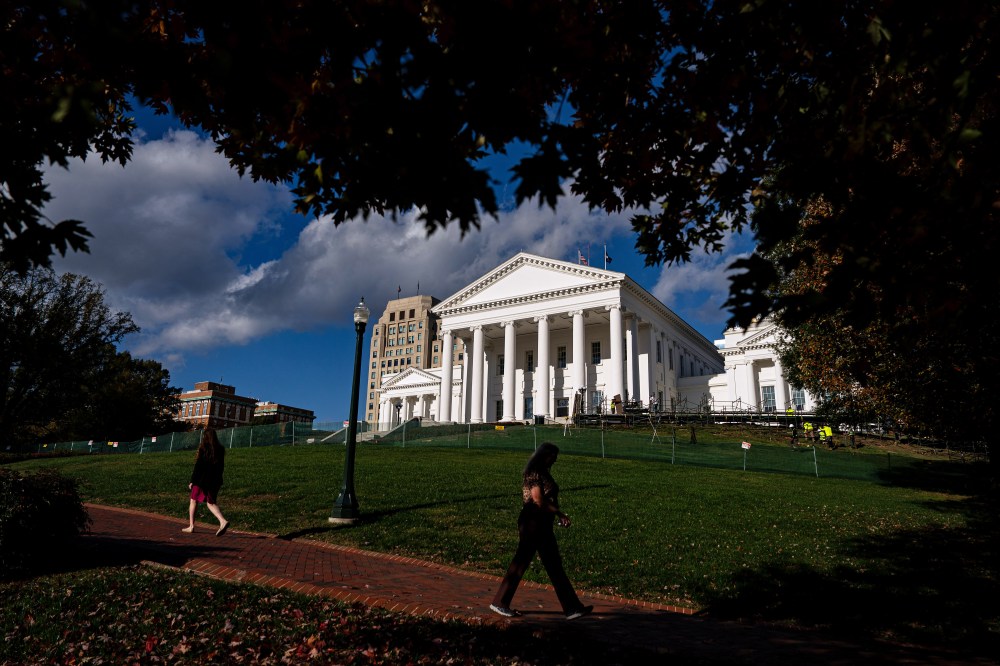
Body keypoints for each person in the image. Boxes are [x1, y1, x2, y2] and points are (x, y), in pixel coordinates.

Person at [490, 442, 593, 620]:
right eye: (553, 456)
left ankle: (572, 608)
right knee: (524, 562)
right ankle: (500, 602)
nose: (555, 460)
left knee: (552, 564)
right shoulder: (534, 473)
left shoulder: (542, 472)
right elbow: (537, 499)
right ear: (544, 456)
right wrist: (559, 513)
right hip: (533, 521)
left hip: (542, 522)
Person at [182, 428, 229, 536]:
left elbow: (198, 466)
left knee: (193, 500)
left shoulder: (204, 448)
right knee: (211, 503)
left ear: (205, 437)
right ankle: (222, 521)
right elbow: (221, 467)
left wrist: (192, 480)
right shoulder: (220, 449)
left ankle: (191, 526)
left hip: (201, 480)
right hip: (215, 480)